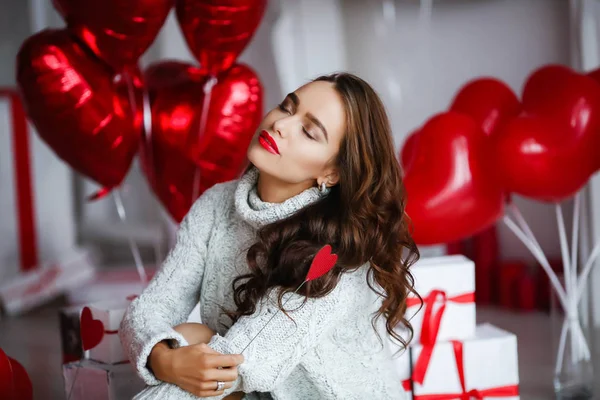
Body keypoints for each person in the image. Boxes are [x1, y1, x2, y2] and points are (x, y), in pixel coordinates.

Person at [120, 72, 420, 400]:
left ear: (331, 173)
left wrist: (175, 367)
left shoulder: (338, 252)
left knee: (209, 362)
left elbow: (244, 361)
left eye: (308, 132)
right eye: (286, 107)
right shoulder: (217, 206)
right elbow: (150, 309)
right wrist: (163, 359)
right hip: (253, 388)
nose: (281, 125)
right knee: (188, 339)